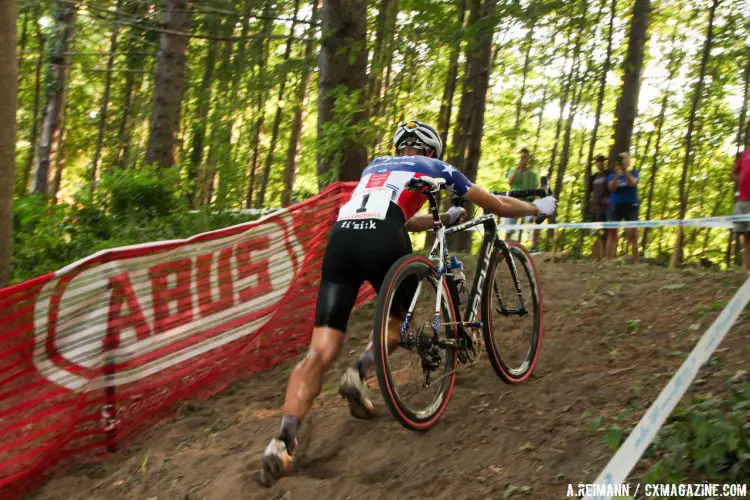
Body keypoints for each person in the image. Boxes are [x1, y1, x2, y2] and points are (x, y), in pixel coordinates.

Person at [260, 121, 557, 485]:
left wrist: (442, 219)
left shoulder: (376, 167)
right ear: (432, 151)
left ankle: (282, 440)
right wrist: (537, 206)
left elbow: (394, 214)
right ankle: (361, 370)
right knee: (395, 325)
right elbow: (495, 204)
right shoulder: (436, 168)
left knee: (319, 353)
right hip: (383, 240)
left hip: (342, 241)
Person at [606, 152, 639, 262]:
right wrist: (617, 174)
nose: (622, 161)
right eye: (621, 159)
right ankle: (609, 261)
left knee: (632, 234)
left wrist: (625, 171)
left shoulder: (634, 173)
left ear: (629, 162)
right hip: (615, 207)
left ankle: (635, 261)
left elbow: (632, 183)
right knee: (612, 233)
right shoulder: (612, 175)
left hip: (631, 206)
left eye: (625, 159)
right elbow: (612, 188)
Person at [505, 148, 541, 252]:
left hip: (527, 201)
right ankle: (506, 247)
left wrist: (537, 203)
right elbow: (510, 183)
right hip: (514, 199)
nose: (523, 159)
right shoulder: (513, 170)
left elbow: (535, 189)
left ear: (529, 158)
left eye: (525, 157)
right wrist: (517, 169)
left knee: (537, 218)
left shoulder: (532, 174)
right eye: (521, 157)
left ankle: (535, 246)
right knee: (509, 224)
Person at [586, 154, 610, 261]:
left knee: (605, 232)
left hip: (605, 208)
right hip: (594, 208)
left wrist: (609, 198)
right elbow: (590, 191)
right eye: (598, 161)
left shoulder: (608, 174)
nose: (601, 163)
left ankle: (605, 255)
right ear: (596, 163)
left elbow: (612, 188)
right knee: (595, 232)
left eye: (602, 161)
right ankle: (596, 255)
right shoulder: (593, 177)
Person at [731, 147, 750, 270]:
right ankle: (746, 267)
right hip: (742, 200)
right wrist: (741, 180)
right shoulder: (746, 154)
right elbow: (733, 172)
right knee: (746, 236)